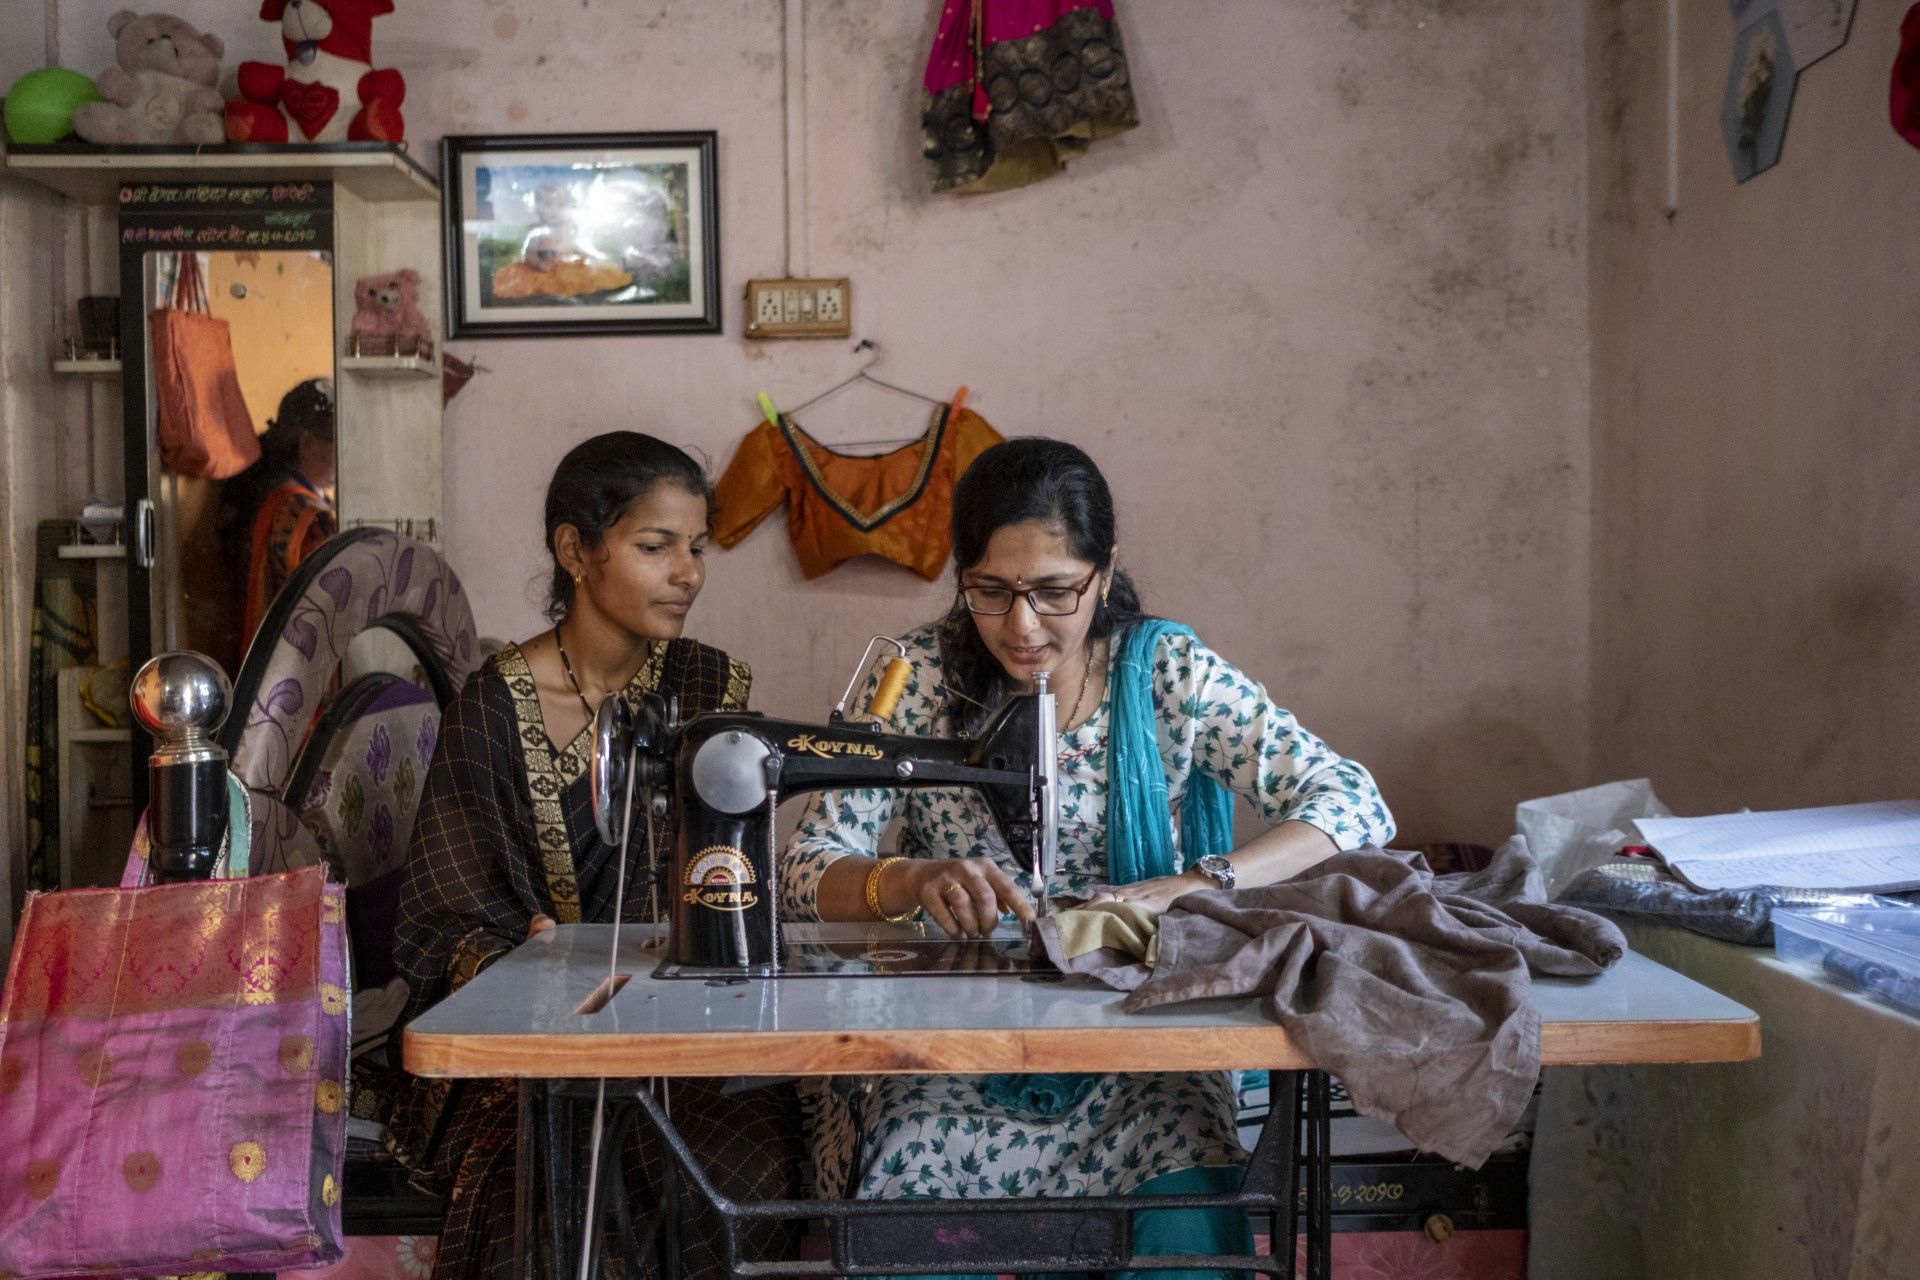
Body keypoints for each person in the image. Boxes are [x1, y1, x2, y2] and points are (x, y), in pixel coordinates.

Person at [781, 437, 1395, 1276]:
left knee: (1186, 1215)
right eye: (990, 592)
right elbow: (806, 867)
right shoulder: (917, 678)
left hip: (1142, 1041)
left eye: (1055, 592)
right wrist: (912, 879)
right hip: (958, 1042)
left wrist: (1198, 882)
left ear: (1104, 573)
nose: (1022, 626)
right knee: (908, 1213)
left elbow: (1353, 803)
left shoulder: (1167, 672)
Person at [392, 431, 803, 1280]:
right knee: (548, 1182)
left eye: (696, 547)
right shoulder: (495, 707)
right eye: (656, 547)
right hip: (544, 1042)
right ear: (576, 551)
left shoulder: (706, 690)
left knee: (744, 1169)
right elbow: (443, 911)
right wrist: (528, 961)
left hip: (688, 1028)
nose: (687, 571)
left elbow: (734, 870)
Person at [221, 376, 338, 646]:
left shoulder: (266, 488)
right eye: (338, 441)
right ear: (307, 443)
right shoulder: (297, 508)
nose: (346, 451)